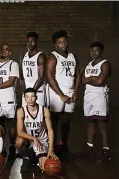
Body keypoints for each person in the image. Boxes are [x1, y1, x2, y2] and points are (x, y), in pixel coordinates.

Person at [45, 30, 81, 159]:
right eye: (60, 42)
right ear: (55, 44)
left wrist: (76, 91)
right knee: (53, 121)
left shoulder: (73, 56)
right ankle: (52, 148)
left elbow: (78, 75)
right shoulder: (53, 56)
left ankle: (64, 146)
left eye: (65, 41)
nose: (63, 44)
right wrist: (60, 94)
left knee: (67, 121)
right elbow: (49, 77)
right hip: (56, 93)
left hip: (70, 92)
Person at [76, 41, 111, 163]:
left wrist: (89, 78)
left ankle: (106, 149)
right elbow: (80, 80)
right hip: (89, 96)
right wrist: (91, 79)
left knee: (102, 123)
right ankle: (89, 147)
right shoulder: (88, 65)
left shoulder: (105, 64)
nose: (94, 52)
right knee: (90, 122)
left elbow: (100, 81)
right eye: (92, 50)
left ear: (101, 51)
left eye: (96, 50)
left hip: (100, 96)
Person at [15, 88, 59, 172]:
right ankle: (27, 157)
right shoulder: (21, 111)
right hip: (29, 140)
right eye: (27, 97)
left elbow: (50, 130)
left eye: (32, 96)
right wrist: (33, 138)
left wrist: (51, 149)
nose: (30, 99)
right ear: (24, 98)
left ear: (36, 97)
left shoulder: (44, 110)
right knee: (19, 141)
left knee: (46, 168)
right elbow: (19, 131)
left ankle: (35, 157)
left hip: (41, 141)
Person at [0, 43, 20, 161]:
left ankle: (12, 148)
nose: (4, 51)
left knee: (11, 125)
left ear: (9, 52)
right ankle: (0, 149)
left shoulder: (13, 64)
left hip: (9, 99)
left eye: (6, 49)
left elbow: (10, 82)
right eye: (2, 49)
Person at [20, 32, 46, 106]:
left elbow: (41, 77)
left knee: (39, 115)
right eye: (28, 41)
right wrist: (25, 92)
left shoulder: (40, 56)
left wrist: (32, 92)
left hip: (38, 91)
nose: (30, 43)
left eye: (32, 41)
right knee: (25, 115)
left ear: (36, 41)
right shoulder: (24, 56)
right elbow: (22, 76)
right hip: (26, 92)